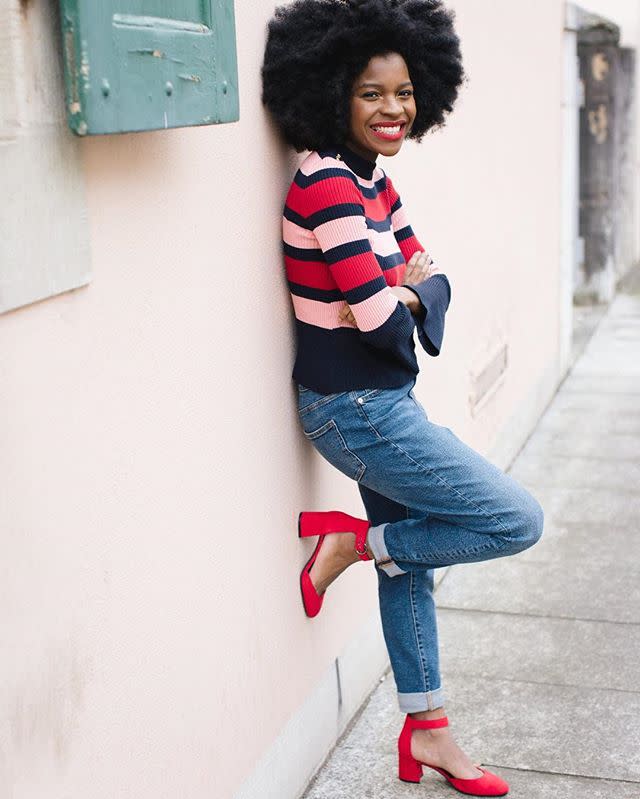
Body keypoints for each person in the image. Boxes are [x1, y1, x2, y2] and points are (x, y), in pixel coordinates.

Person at [261, 1, 544, 795]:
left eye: (405, 92)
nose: (394, 109)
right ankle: (353, 545)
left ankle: (429, 736)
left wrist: (413, 296)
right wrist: (406, 297)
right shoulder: (325, 187)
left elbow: (422, 282)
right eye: (372, 94)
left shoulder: (372, 183)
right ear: (331, 95)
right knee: (515, 518)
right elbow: (387, 313)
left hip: (378, 401)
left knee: (409, 570)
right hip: (355, 410)